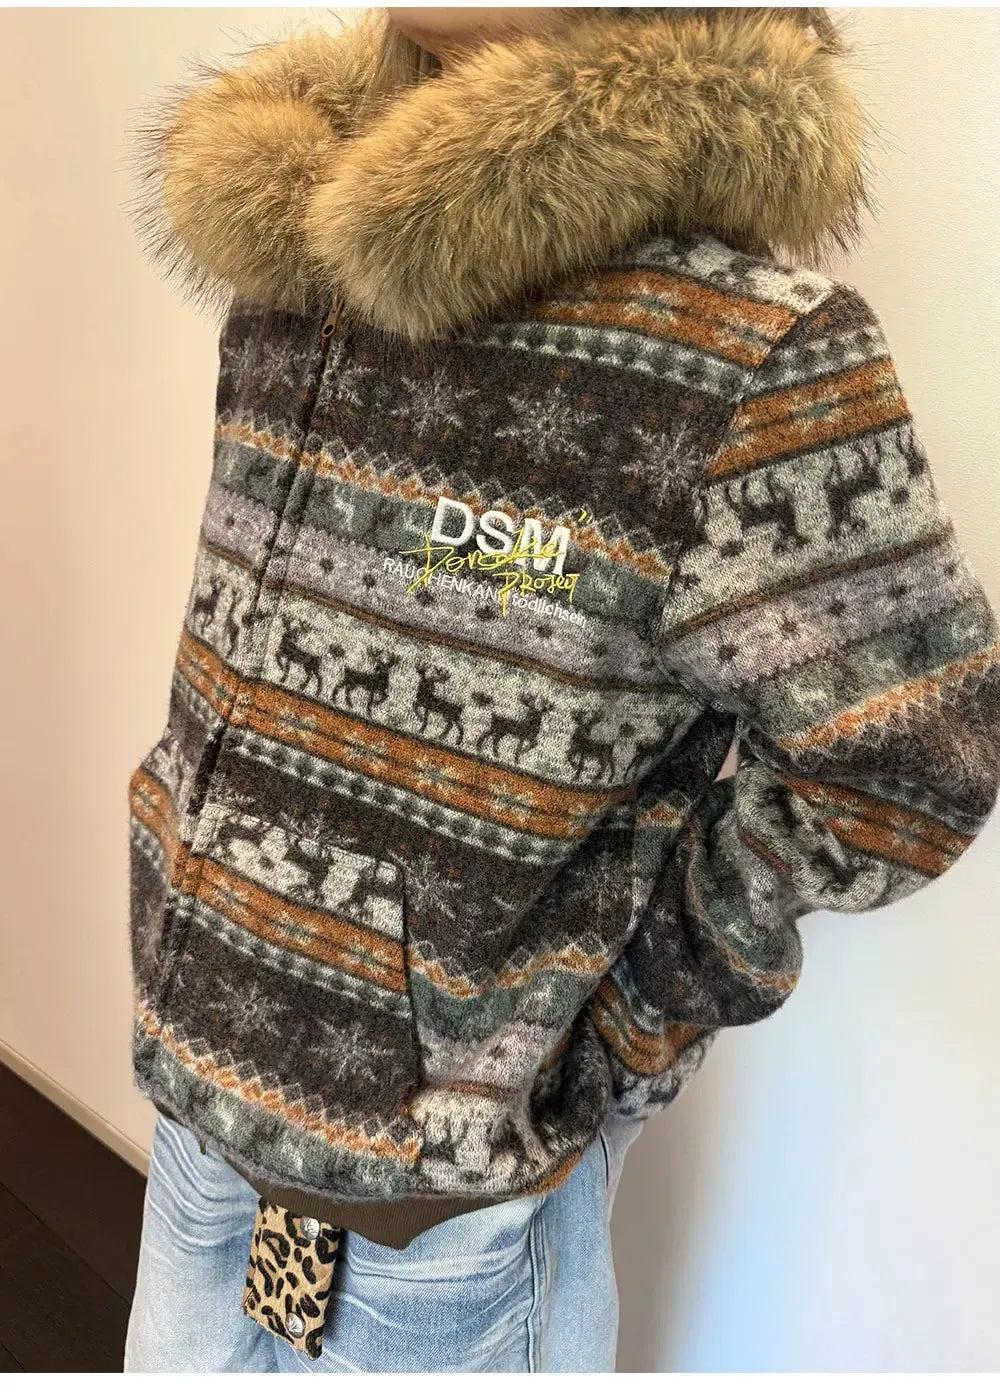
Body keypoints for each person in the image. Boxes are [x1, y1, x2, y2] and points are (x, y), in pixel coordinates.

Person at [123, 6, 1000, 1373]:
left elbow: (912, 761)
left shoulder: (742, 351)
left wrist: (606, 1026)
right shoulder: (290, 264)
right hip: (196, 1126)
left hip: (443, 1236)